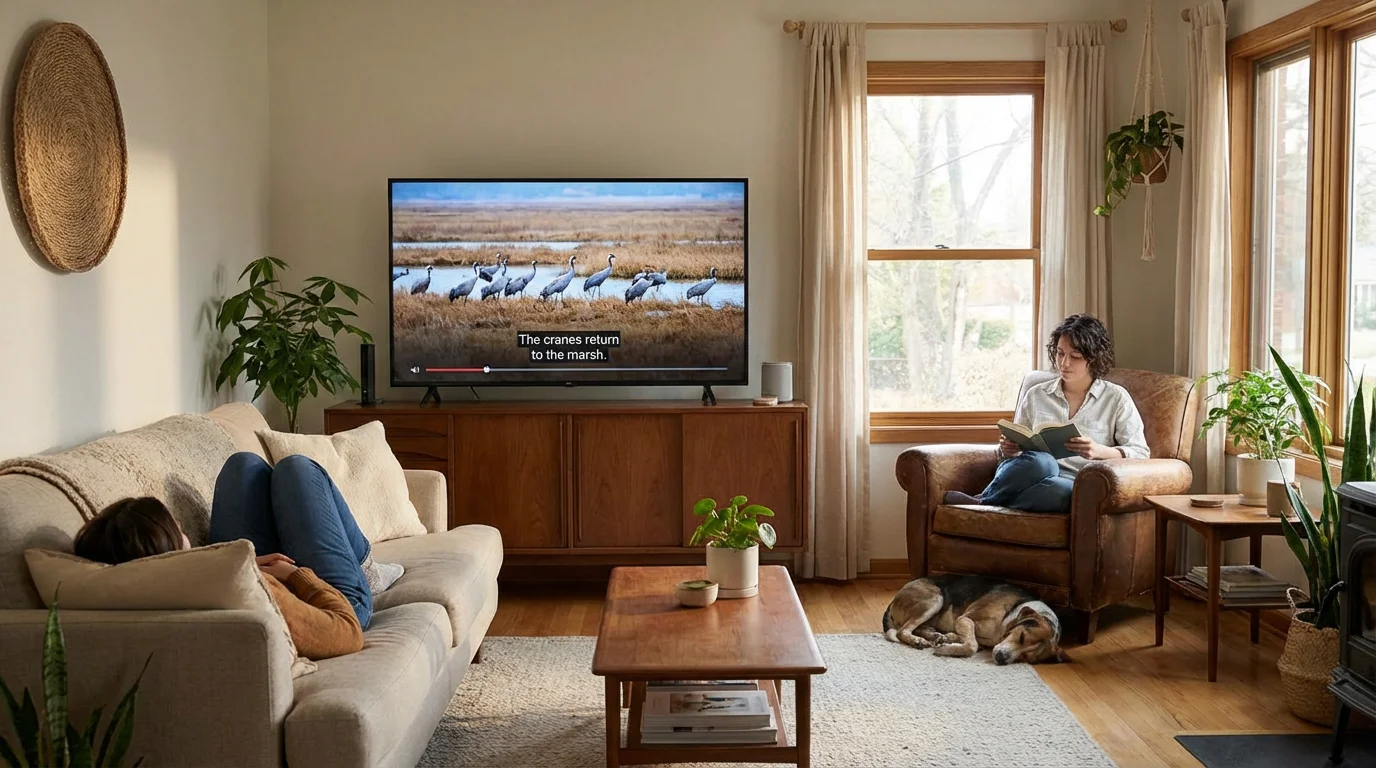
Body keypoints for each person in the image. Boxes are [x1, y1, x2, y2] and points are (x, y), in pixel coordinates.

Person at [71, 453, 400, 660]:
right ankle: (366, 573)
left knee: (244, 465)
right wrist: (290, 576)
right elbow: (346, 633)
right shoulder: (248, 593)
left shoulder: (173, 579)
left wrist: (243, 563)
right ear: (169, 544)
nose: (184, 530)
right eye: (176, 526)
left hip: (258, 568)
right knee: (298, 468)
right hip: (335, 601)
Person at [944, 314, 1149, 514]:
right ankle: (986, 499)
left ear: (1093, 359)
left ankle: (983, 501)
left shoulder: (1116, 398)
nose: (1064, 363)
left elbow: (1140, 453)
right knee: (1043, 461)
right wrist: (1010, 448)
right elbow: (1014, 454)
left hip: (1074, 481)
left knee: (1065, 493)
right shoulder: (1036, 395)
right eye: (1060, 353)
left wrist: (1099, 451)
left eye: (1075, 356)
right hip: (1031, 471)